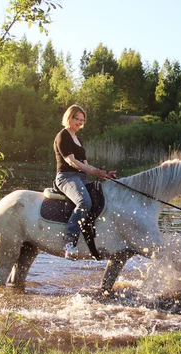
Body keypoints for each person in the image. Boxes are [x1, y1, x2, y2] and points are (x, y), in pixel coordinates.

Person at [53, 104, 117, 259]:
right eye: (77, 119)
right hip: (66, 177)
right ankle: (69, 242)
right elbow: (72, 162)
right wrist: (94, 171)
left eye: (82, 120)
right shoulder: (63, 136)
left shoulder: (77, 139)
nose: (80, 123)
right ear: (69, 117)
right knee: (84, 202)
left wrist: (104, 175)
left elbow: (85, 164)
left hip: (80, 178)